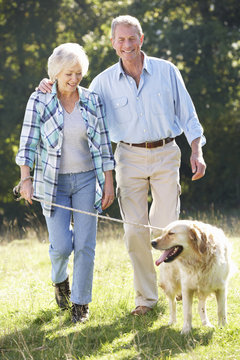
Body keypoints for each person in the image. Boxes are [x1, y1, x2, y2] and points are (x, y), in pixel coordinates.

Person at [37, 15, 206, 316]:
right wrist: (50, 84)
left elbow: (188, 114)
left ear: (141, 39)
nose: (127, 44)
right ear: (113, 44)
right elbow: (73, 91)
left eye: (132, 38)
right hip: (127, 157)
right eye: (121, 39)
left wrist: (196, 149)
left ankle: (174, 285)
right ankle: (146, 299)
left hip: (166, 152)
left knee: (167, 226)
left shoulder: (167, 71)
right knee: (134, 231)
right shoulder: (102, 82)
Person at [16, 43, 115, 323]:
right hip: (53, 183)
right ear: (55, 73)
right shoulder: (40, 100)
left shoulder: (92, 101)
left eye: (79, 74)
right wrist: (26, 178)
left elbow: (105, 146)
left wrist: (108, 182)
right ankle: (60, 281)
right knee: (61, 246)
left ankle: (81, 305)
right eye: (69, 73)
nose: (74, 79)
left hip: (86, 180)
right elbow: (27, 143)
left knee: (85, 244)